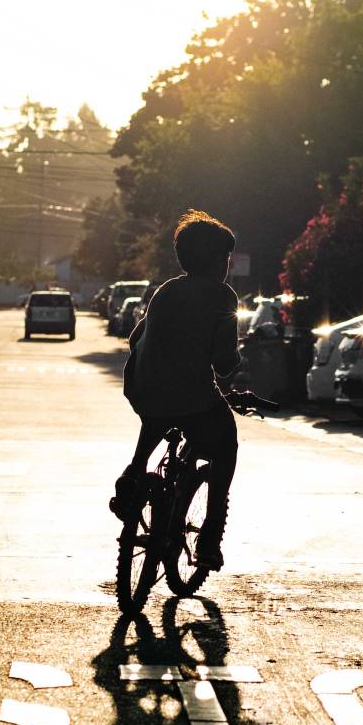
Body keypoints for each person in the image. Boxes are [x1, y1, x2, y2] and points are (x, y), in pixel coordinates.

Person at [112, 210, 243, 571]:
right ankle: (210, 538)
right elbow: (223, 361)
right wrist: (235, 368)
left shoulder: (165, 290)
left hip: (143, 389)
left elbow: (136, 336)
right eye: (226, 258)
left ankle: (132, 479)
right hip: (192, 398)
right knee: (226, 442)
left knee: (155, 420)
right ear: (218, 261)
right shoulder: (222, 296)